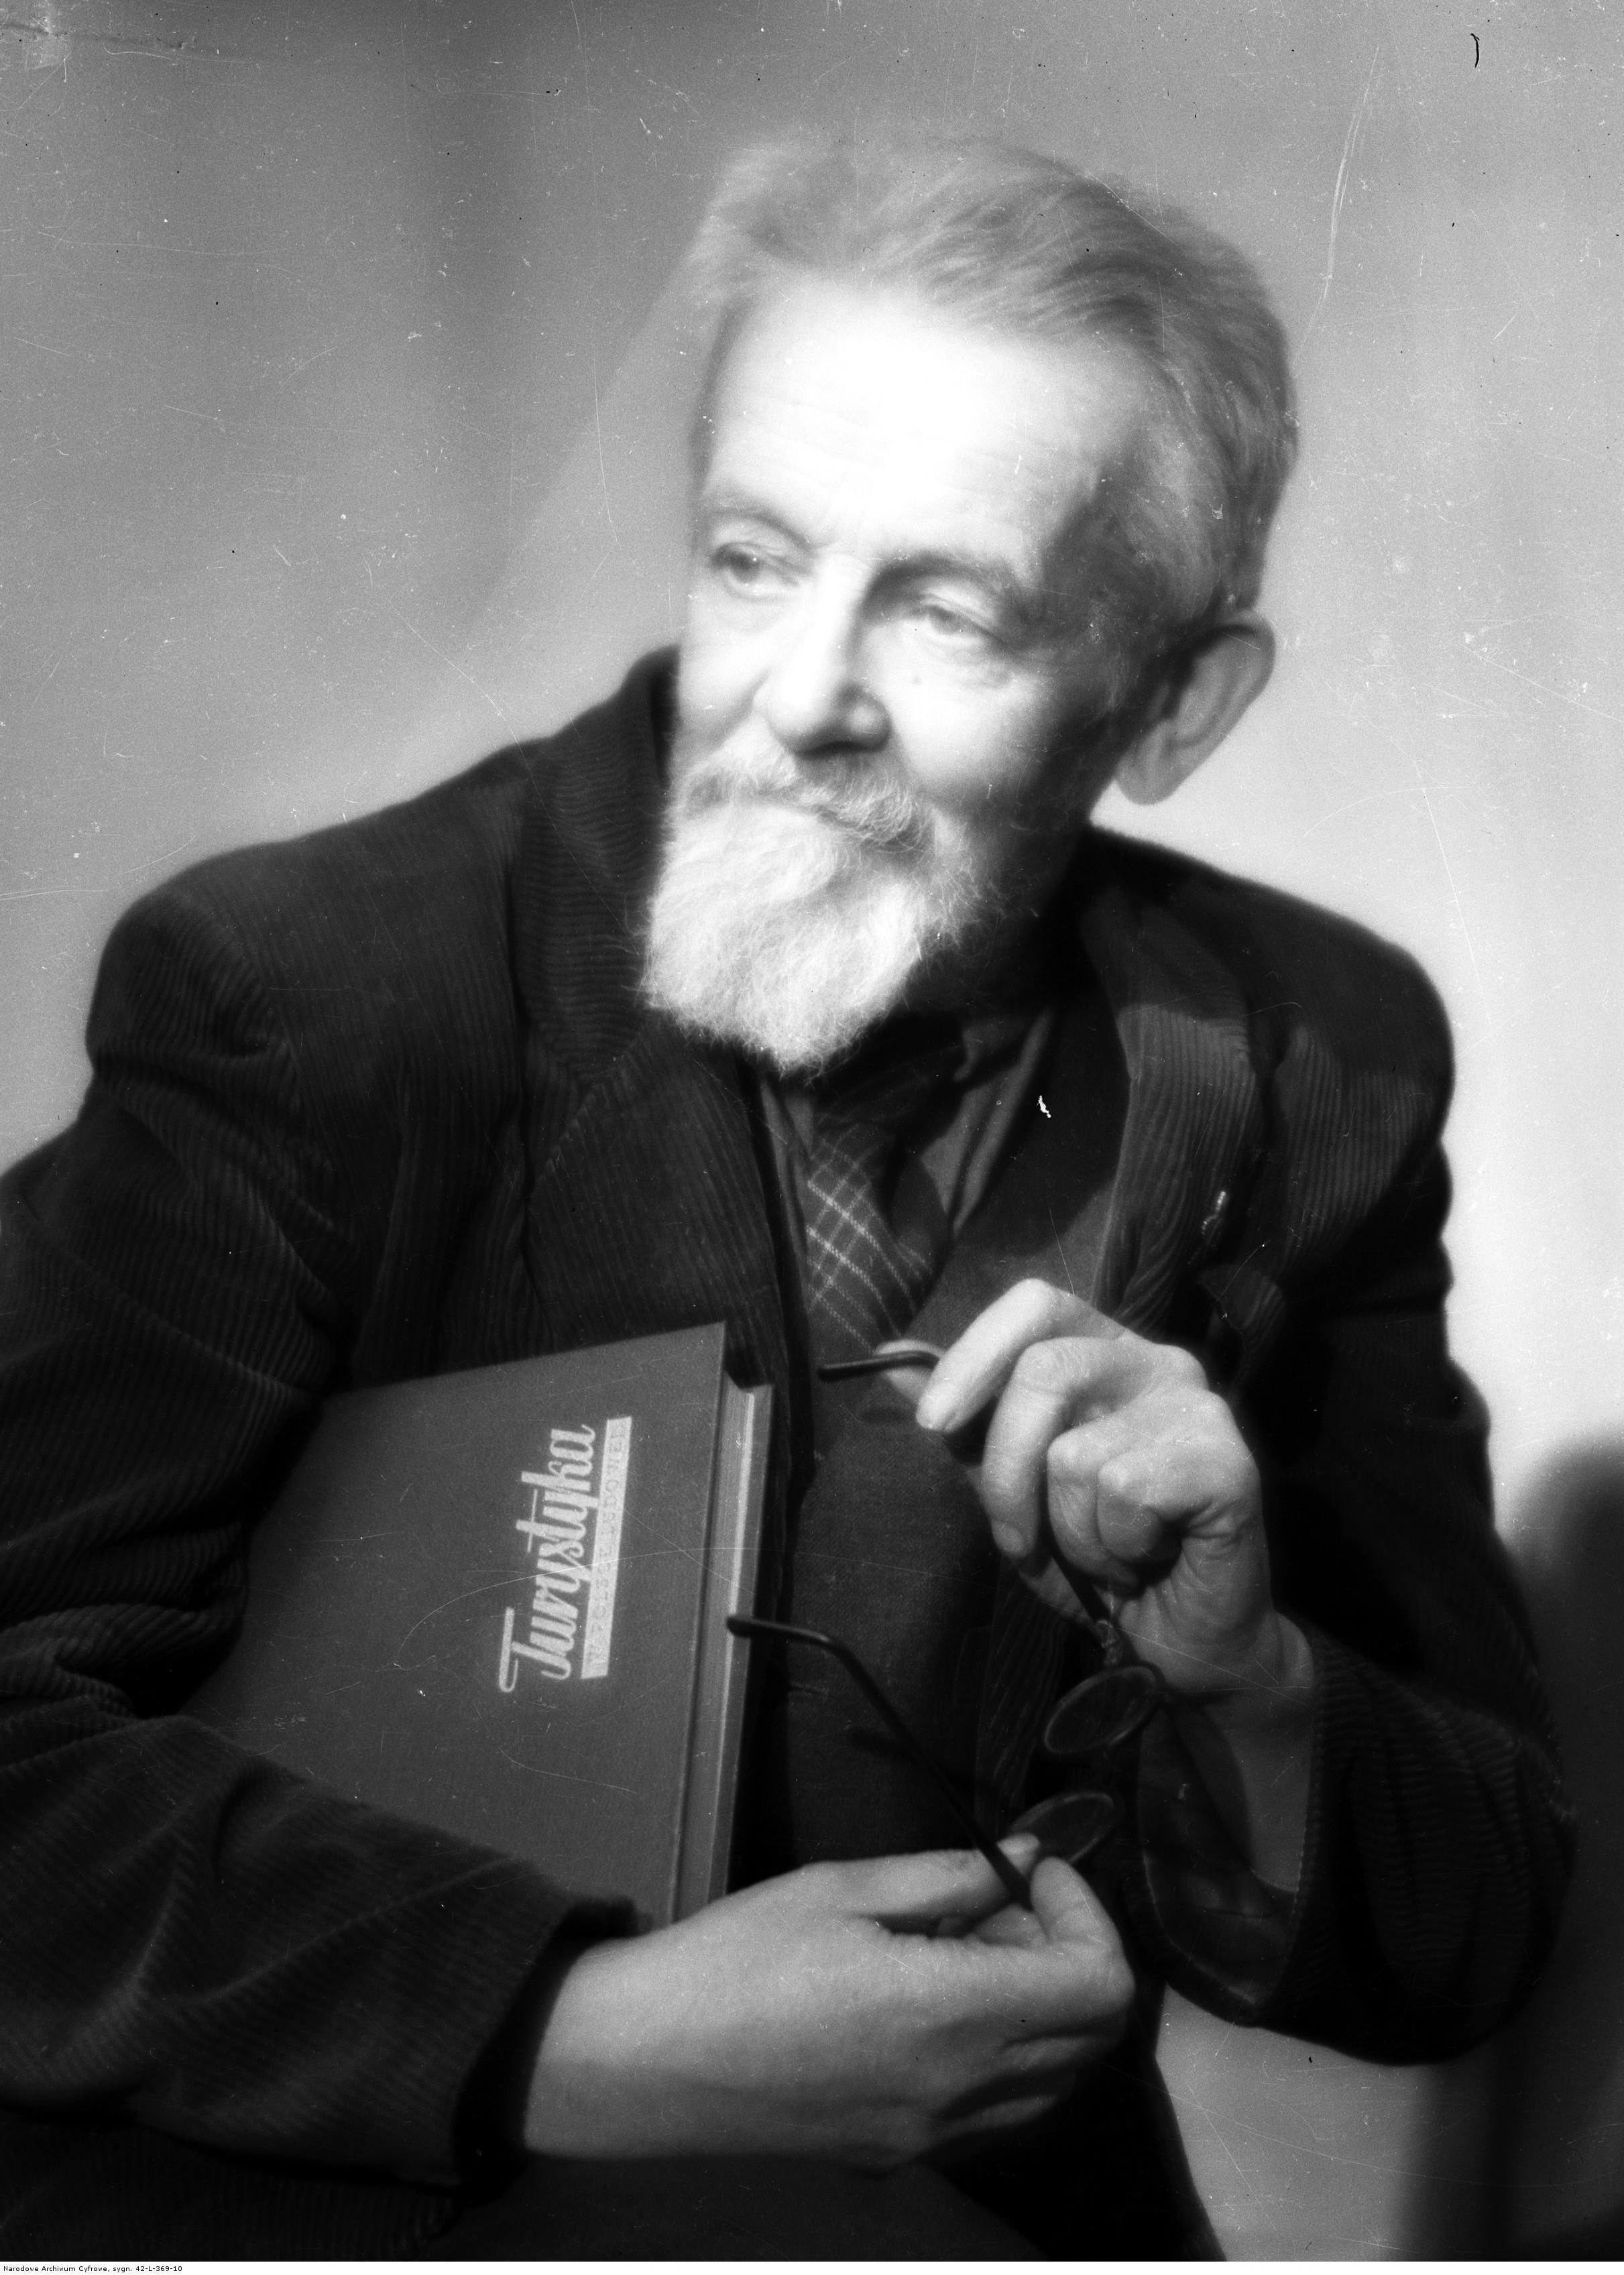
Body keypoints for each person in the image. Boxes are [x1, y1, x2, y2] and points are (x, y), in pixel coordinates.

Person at [0, 135, 1572, 2260]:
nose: (800, 694)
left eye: (943, 608)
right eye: (754, 560)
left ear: (1174, 702)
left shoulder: (1323, 1051)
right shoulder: (306, 997)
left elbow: (1476, 1925)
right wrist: (565, 2032)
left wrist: (1253, 1673)